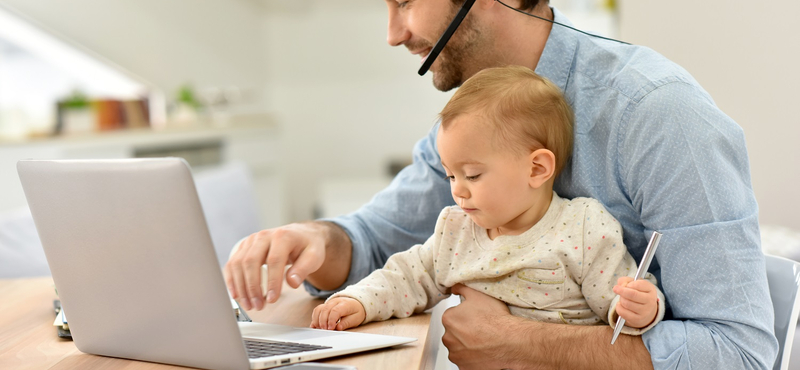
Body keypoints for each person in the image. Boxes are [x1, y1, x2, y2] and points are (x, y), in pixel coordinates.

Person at [225, 0, 778, 368]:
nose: (394, 34)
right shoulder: (480, 119)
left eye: (407, 0)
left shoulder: (658, 114)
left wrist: (524, 344)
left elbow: (740, 352)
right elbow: (378, 241)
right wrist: (317, 240)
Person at [310, 66, 665, 337]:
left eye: (473, 175)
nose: (458, 191)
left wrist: (637, 309)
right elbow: (407, 276)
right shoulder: (456, 230)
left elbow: (619, 298)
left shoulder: (584, 227)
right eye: (451, 175)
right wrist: (360, 301)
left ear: (537, 168)